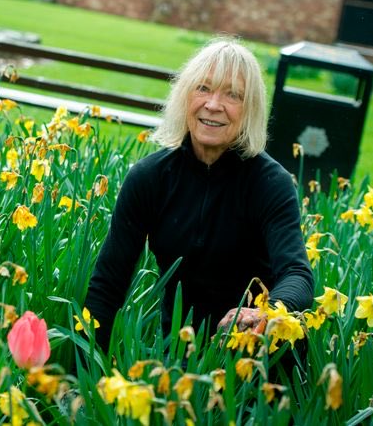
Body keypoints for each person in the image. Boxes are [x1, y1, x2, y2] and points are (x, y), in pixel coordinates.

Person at [84, 38, 313, 351]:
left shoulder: (270, 183)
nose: (213, 104)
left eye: (232, 94)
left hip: (255, 359)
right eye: (203, 88)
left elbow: (297, 274)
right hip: (177, 356)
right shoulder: (150, 178)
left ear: (249, 111)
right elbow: (107, 285)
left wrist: (265, 311)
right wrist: (82, 379)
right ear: (184, 96)